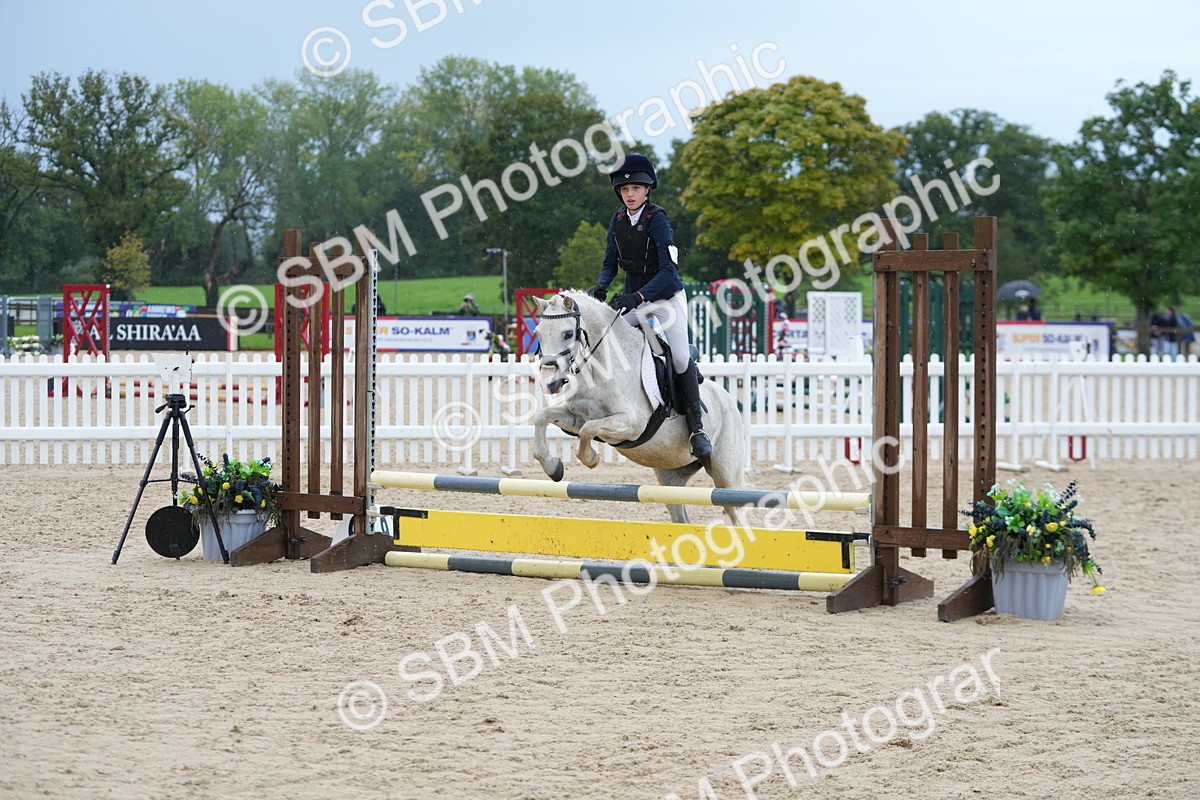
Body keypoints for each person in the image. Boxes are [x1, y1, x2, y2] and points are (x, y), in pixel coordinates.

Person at [585, 152, 711, 459]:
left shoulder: (658, 219)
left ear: (647, 190)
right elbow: (609, 264)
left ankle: (696, 427)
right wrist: (601, 286)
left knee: (680, 356)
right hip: (635, 299)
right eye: (625, 190)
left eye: (636, 189)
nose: (630, 194)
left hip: (666, 298)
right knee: (607, 341)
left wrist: (638, 297)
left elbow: (668, 270)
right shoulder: (617, 221)